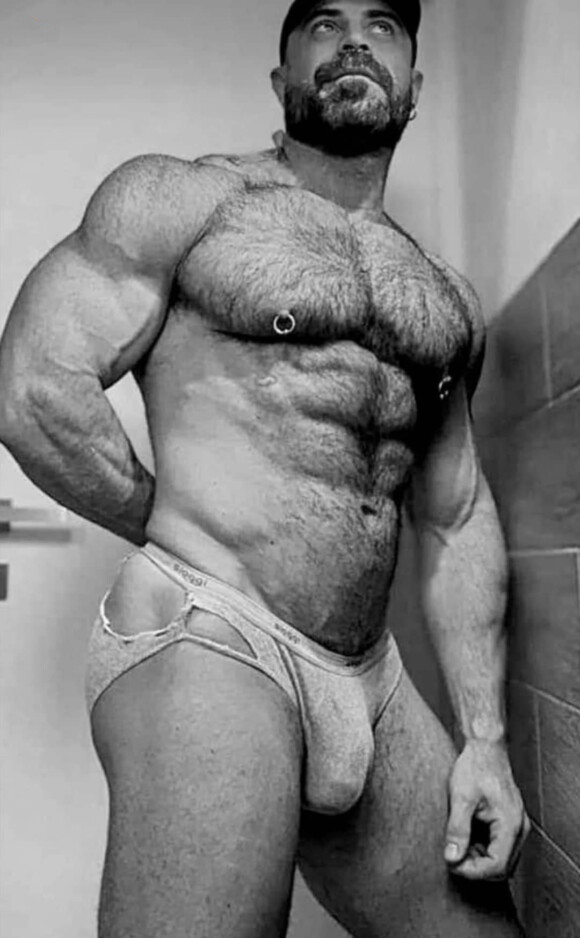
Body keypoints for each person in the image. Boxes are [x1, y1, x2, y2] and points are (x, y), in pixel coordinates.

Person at [0, 0, 530, 934]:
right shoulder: (187, 200)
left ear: (414, 86)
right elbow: (35, 387)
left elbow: (454, 515)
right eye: (324, 22)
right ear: (281, 79)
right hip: (217, 633)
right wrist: (178, 530)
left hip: (370, 679)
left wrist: (484, 740)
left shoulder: (445, 299)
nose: (355, 39)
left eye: (384, 24)